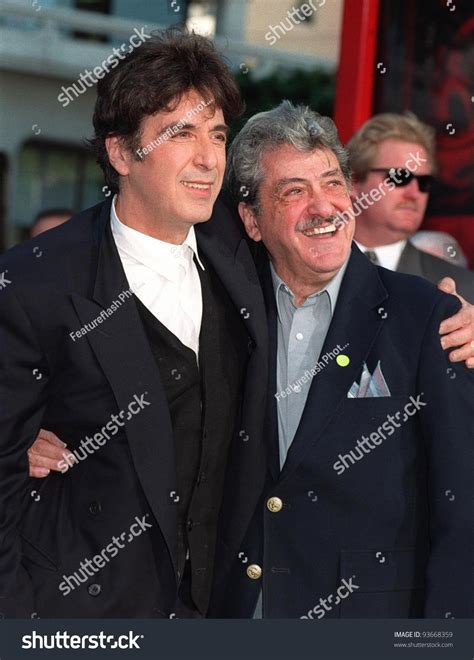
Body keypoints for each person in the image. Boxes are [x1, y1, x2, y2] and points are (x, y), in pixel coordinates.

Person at [0, 29, 268, 618]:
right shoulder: (36, 281)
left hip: (214, 609)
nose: (209, 158)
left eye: (217, 135)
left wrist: (447, 315)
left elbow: (338, 280)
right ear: (121, 153)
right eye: (180, 134)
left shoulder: (244, 251)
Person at [207, 101, 474, 618]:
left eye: (331, 184)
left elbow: (462, 507)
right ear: (252, 220)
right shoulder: (219, 309)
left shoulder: (429, 317)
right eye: (293, 191)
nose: (323, 207)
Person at [347, 112, 474, 301]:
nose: (414, 194)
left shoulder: (464, 290)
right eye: (400, 177)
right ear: (354, 182)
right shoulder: (302, 269)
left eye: (424, 182)